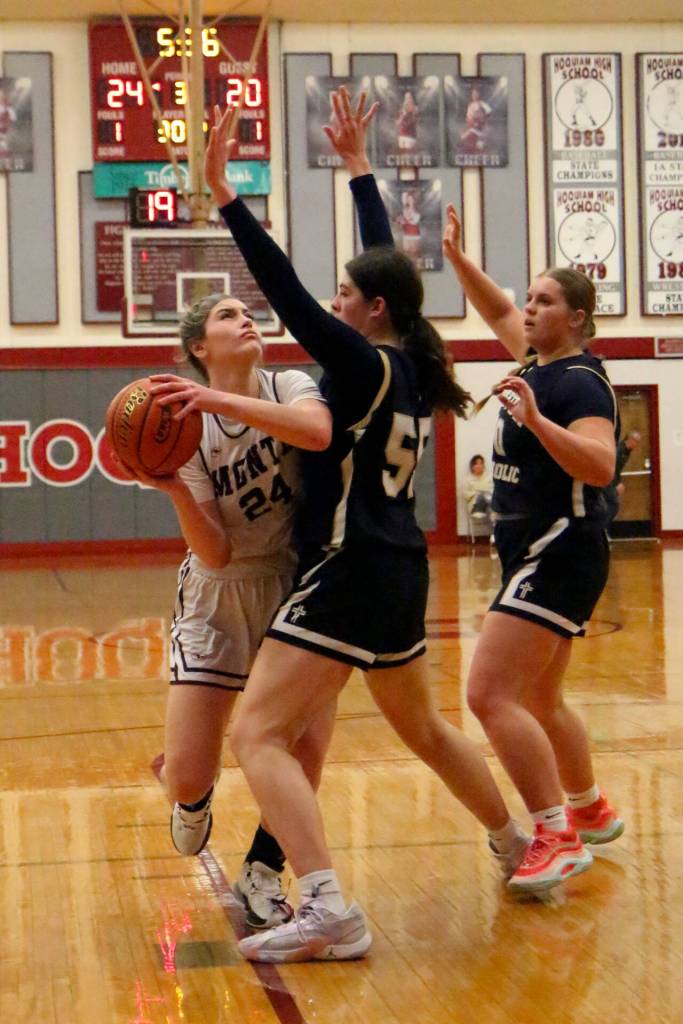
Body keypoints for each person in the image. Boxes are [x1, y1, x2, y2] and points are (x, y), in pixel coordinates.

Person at [206, 88, 529, 963]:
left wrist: (226, 195)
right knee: (422, 729)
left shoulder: (357, 360)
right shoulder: (412, 361)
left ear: (372, 309)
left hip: (349, 565)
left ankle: (326, 907)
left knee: (256, 734)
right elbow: (388, 271)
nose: (337, 301)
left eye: (347, 294)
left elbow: (285, 290)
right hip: (399, 565)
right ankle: (514, 843)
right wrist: (356, 171)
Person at [117, 292, 333, 931]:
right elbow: (214, 550)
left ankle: (265, 868)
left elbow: (316, 432)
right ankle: (191, 799)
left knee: (306, 746)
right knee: (188, 775)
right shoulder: (182, 429)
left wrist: (216, 399)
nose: (246, 319)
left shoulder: (289, 386)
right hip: (218, 591)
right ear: (199, 348)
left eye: (248, 311)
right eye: (227, 316)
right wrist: (173, 488)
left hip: (293, 585)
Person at [443, 203, 624, 894]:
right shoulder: (535, 361)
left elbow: (599, 466)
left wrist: (538, 421)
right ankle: (589, 809)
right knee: (541, 698)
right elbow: (496, 306)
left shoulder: (577, 381)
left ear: (575, 317)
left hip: (560, 547)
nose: (527, 309)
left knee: (489, 694)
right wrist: (457, 259)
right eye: (530, 299)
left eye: (543, 301)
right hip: (541, 550)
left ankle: (555, 835)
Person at [603, 429, 641, 529]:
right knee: (613, 505)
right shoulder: (619, 451)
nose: (637, 445)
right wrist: (616, 484)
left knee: (611, 505)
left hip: (611, 481)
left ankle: (603, 528)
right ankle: (602, 528)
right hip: (607, 482)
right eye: (636, 442)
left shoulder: (626, 452)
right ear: (630, 440)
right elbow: (612, 469)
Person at [464, 454, 496, 554]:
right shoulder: (468, 480)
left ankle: (494, 534)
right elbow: (466, 494)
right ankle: (495, 531)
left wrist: (480, 490)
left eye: (481, 463)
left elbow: (492, 490)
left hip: (488, 504)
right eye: (476, 464)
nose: (479, 466)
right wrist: (478, 493)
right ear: (472, 466)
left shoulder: (489, 478)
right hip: (475, 505)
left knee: (490, 505)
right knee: (482, 495)